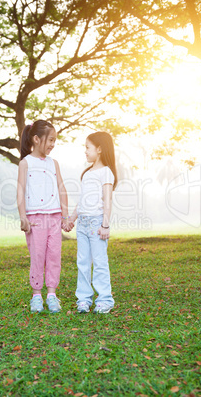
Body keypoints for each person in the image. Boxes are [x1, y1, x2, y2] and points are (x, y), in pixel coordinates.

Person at [17, 120, 69, 313]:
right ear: (37, 139)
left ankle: (52, 294)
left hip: (54, 216)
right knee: (38, 256)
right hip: (35, 218)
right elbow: (20, 190)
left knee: (54, 255)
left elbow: (61, 188)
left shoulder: (53, 163)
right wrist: (22, 216)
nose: (53, 144)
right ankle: (37, 295)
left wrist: (64, 215)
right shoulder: (25, 163)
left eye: (55, 140)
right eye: (51, 140)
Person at [67, 131, 117, 314]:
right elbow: (82, 202)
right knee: (82, 262)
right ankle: (84, 299)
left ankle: (105, 299)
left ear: (100, 149)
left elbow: (107, 200)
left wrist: (105, 225)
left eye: (87, 148)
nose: (85, 151)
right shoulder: (87, 174)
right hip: (83, 224)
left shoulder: (106, 173)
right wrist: (72, 218)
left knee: (100, 262)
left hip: (97, 224)